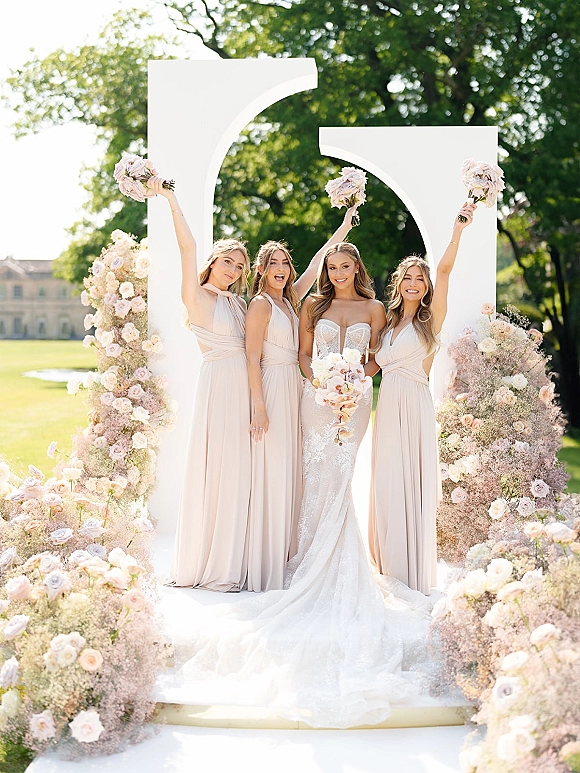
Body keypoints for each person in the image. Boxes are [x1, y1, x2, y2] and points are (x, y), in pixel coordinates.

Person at [175, 242, 431, 728]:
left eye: (344, 265)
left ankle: (341, 561)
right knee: (314, 479)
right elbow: (304, 355)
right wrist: (321, 383)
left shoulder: (376, 309)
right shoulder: (312, 305)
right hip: (315, 402)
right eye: (330, 267)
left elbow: (378, 358)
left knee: (342, 479)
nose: (335, 273)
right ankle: (309, 557)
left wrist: (353, 379)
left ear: (358, 267)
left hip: (353, 404)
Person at [245, 209, 357, 591]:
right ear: (260, 270)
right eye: (273, 262)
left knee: (293, 469)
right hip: (272, 387)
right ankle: (264, 559)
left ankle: (286, 552)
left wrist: (342, 227)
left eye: (285, 262)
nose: (281, 267)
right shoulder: (260, 304)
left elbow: (317, 264)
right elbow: (250, 356)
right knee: (272, 468)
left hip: (295, 389)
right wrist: (259, 406)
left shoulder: (291, 299)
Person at [148, 176, 252, 591]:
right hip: (219, 384)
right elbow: (187, 247)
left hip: (246, 385)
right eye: (229, 260)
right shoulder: (198, 296)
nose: (235, 269)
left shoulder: (239, 302)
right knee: (218, 466)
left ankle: (235, 554)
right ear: (214, 261)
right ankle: (209, 560)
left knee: (241, 470)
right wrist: (172, 198)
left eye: (241, 265)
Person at [368, 202, 475, 595]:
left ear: (426, 285)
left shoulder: (430, 319)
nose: (414, 282)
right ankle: (387, 561)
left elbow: (444, 269)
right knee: (385, 480)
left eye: (420, 278)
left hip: (414, 404)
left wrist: (458, 228)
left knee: (409, 480)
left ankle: (410, 568)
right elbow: (371, 367)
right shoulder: (387, 320)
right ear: (399, 283)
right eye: (408, 277)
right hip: (387, 405)